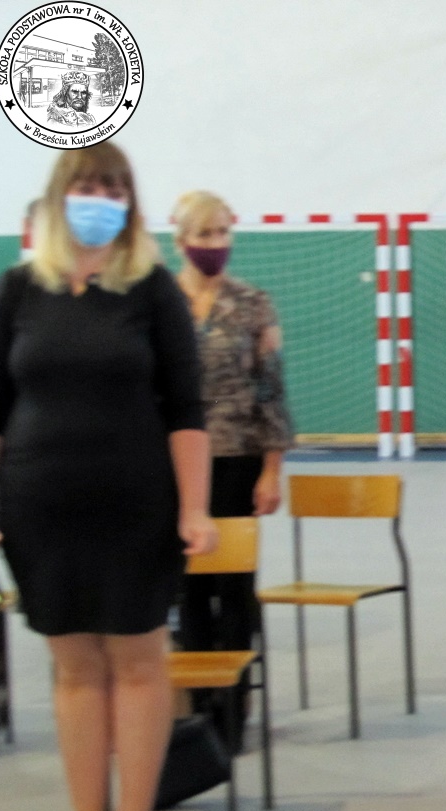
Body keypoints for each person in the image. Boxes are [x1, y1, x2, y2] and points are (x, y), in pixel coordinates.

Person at [0, 143, 214, 811]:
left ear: (130, 204)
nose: (102, 200)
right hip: (39, 506)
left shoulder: (152, 289)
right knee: (75, 671)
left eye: (116, 190)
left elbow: (186, 410)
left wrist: (194, 507)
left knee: (138, 664)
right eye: (89, 187)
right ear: (61, 197)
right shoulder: (18, 289)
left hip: (136, 505)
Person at [172, 190, 294, 748]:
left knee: (235, 589)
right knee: (189, 591)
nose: (215, 244)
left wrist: (272, 469)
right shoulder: (161, 302)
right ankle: (199, 715)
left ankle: (234, 711)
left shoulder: (253, 303)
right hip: (176, 468)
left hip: (239, 461)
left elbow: (272, 390)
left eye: (222, 233)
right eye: (205, 234)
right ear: (182, 241)